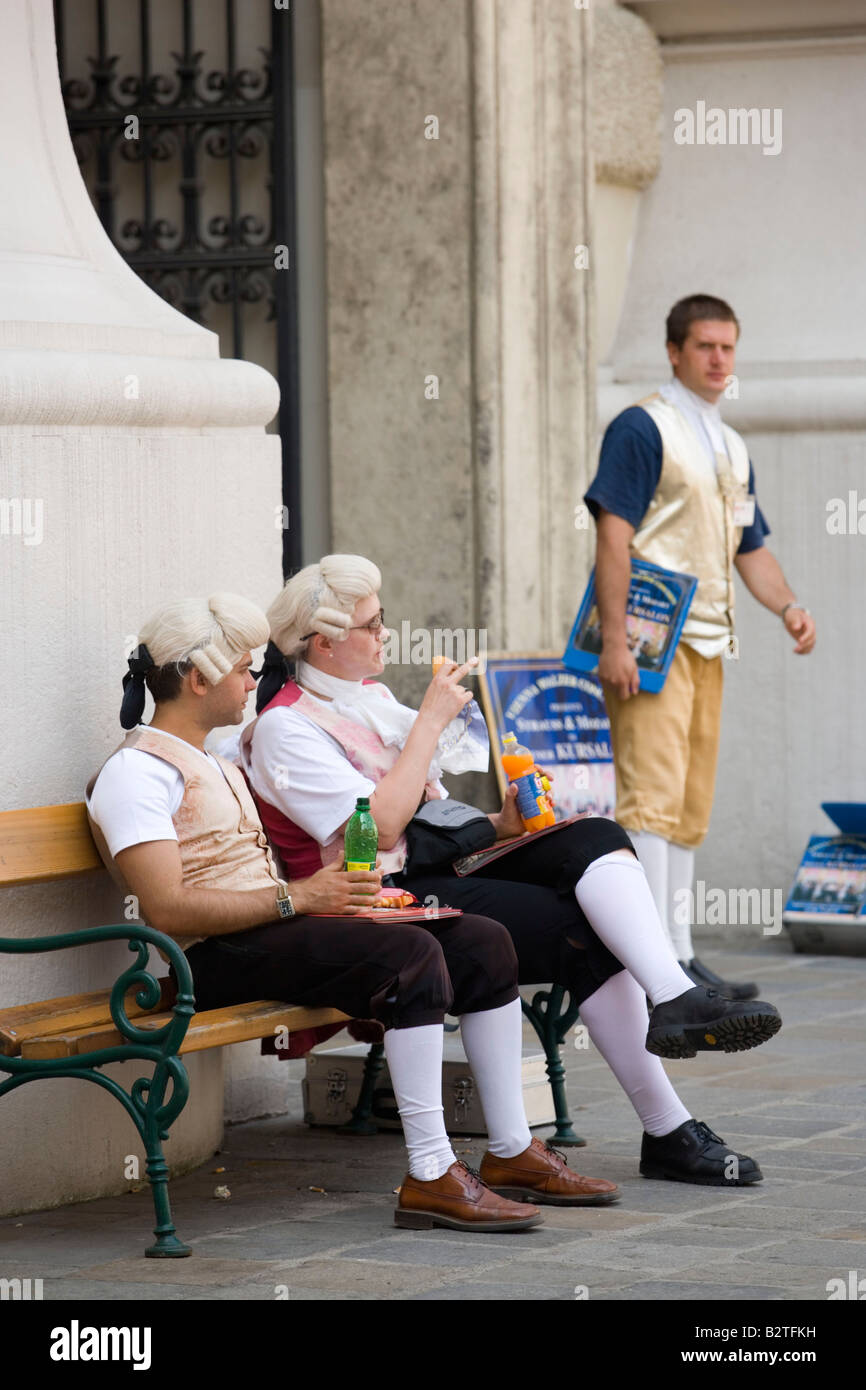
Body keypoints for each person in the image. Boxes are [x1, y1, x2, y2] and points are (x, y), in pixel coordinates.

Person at [86, 593, 623, 1236]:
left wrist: (330, 895)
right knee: (410, 958)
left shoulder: (212, 755)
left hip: (270, 931)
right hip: (206, 958)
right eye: (243, 669)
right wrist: (301, 896)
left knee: (481, 941)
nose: (255, 679)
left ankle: (510, 1152)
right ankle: (430, 1174)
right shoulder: (136, 773)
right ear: (198, 681)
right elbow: (167, 908)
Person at [243, 555, 782, 1187]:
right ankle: (664, 1127)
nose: (385, 632)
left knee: (596, 834)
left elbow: (428, 819)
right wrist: (429, 725)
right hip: (375, 896)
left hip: (431, 867)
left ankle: (675, 1000)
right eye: (372, 624)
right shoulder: (285, 728)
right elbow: (380, 832)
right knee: (580, 925)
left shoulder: (372, 701)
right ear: (325, 643)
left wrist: (499, 824)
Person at [585, 294, 817, 998]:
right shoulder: (640, 427)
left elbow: (751, 545)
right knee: (650, 799)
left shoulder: (730, 443)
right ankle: (655, 965)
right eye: (706, 347)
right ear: (675, 351)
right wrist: (616, 639)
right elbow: (612, 536)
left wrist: (788, 605)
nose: (720, 360)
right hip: (652, 642)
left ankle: (680, 954)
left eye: (729, 347)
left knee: (687, 803)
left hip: (712, 641)